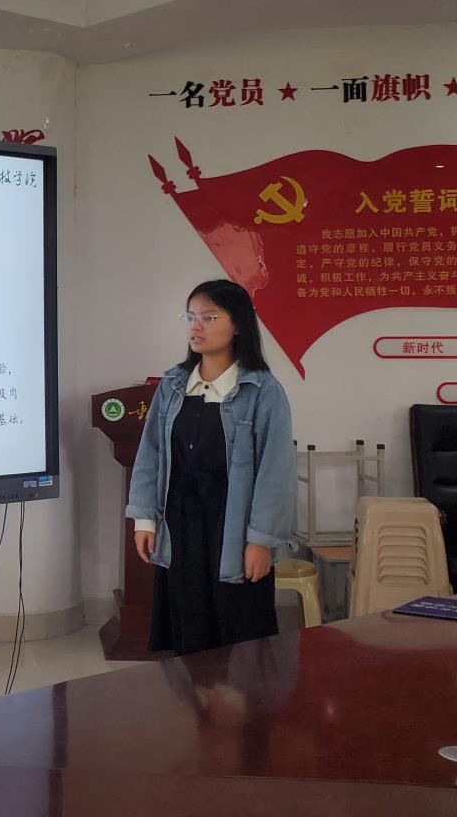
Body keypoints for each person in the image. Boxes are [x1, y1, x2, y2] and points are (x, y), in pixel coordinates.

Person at [127, 279, 294, 657]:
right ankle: (195, 694)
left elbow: (276, 472)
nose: (196, 327)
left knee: (240, 634)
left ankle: (243, 698)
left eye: (209, 317)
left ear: (238, 325)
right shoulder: (173, 384)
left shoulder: (262, 390)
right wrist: (144, 519)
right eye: (190, 317)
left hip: (233, 523)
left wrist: (261, 540)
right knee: (189, 624)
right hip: (181, 521)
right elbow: (150, 453)